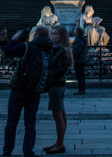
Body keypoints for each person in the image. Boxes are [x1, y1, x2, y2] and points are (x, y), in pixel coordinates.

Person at [3, 26, 53, 157]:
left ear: (36, 34)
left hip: (19, 88)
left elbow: (8, 51)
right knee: (30, 124)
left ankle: (7, 152)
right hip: (35, 91)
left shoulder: (28, 46)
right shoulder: (49, 49)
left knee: (12, 122)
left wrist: (14, 39)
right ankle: (28, 152)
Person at [43, 25, 74, 155]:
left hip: (57, 84)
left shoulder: (62, 50)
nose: (52, 36)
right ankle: (58, 142)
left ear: (62, 36)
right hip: (56, 84)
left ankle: (60, 144)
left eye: (55, 34)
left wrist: (48, 74)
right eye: (52, 34)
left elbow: (61, 69)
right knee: (61, 112)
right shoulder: (57, 49)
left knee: (57, 114)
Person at [72, 26, 87, 95]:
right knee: (81, 75)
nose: (74, 31)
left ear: (77, 32)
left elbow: (76, 50)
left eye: (75, 30)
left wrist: (72, 57)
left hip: (78, 60)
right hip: (82, 59)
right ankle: (82, 88)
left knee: (79, 75)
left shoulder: (78, 40)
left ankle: (81, 89)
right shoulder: (82, 39)